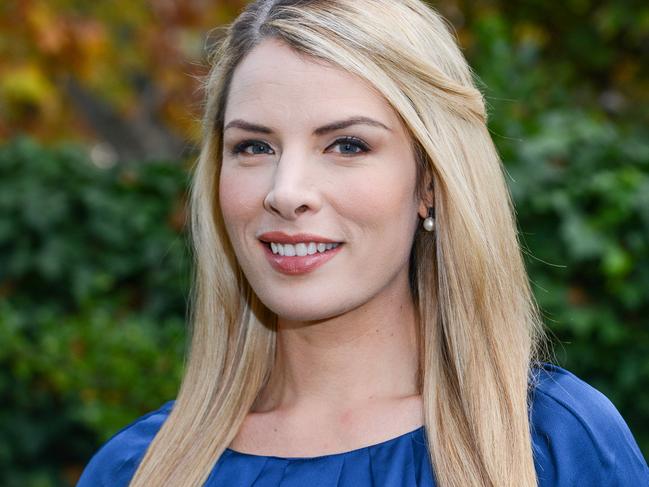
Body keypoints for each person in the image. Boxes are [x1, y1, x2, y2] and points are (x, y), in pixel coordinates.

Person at [77, 0, 649, 486]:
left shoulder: (552, 445)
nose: (287, 191)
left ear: (430, 179)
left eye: (347, 145)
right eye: (254, 147)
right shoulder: (135, 470)